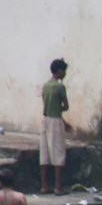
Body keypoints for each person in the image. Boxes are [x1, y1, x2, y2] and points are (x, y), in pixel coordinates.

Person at [40, 58, 72, 195]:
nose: (64, 74)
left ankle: (44, 186)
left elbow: (45, 109)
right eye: (64, 71)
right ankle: (58, 186)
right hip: (55, 122)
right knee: (58, 152)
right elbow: (65, 106)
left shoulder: (45, 86)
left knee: (45, 153)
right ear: (59, 71)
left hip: (45, 121)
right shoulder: (60, 87)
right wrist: (61, 116)